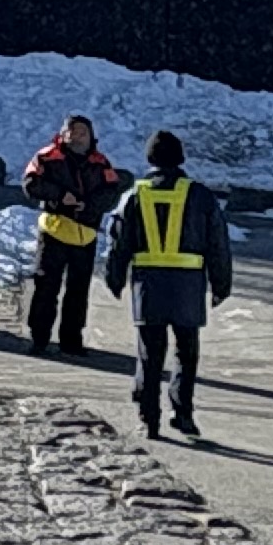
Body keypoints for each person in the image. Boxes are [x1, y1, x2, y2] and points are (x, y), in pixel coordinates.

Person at [101, 126, 233, 442]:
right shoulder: (200, 196)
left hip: (149, 285)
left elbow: (118, 242)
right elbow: (218, 243)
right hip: (188, 286)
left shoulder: (135, 195)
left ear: (150, 159)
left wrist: (115, 278)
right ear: (181, 158)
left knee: (150, 353)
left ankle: (149, 419)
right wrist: (221, 284)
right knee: (186, 353)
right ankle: (182, 413)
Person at [20, 113, 121, 356]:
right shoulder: (47, 157)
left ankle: (71, 340)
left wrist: (88, 205)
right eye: (73, 132)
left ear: (91, 136)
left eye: (83, 132)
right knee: (46, 286)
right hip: (54, 230)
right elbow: (30, 185)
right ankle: (40, 338)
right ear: (63, 134)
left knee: (78, 290)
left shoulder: (101, 162)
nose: (78, 137)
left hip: (84, 234)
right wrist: (59, 196)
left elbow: (111, 192)